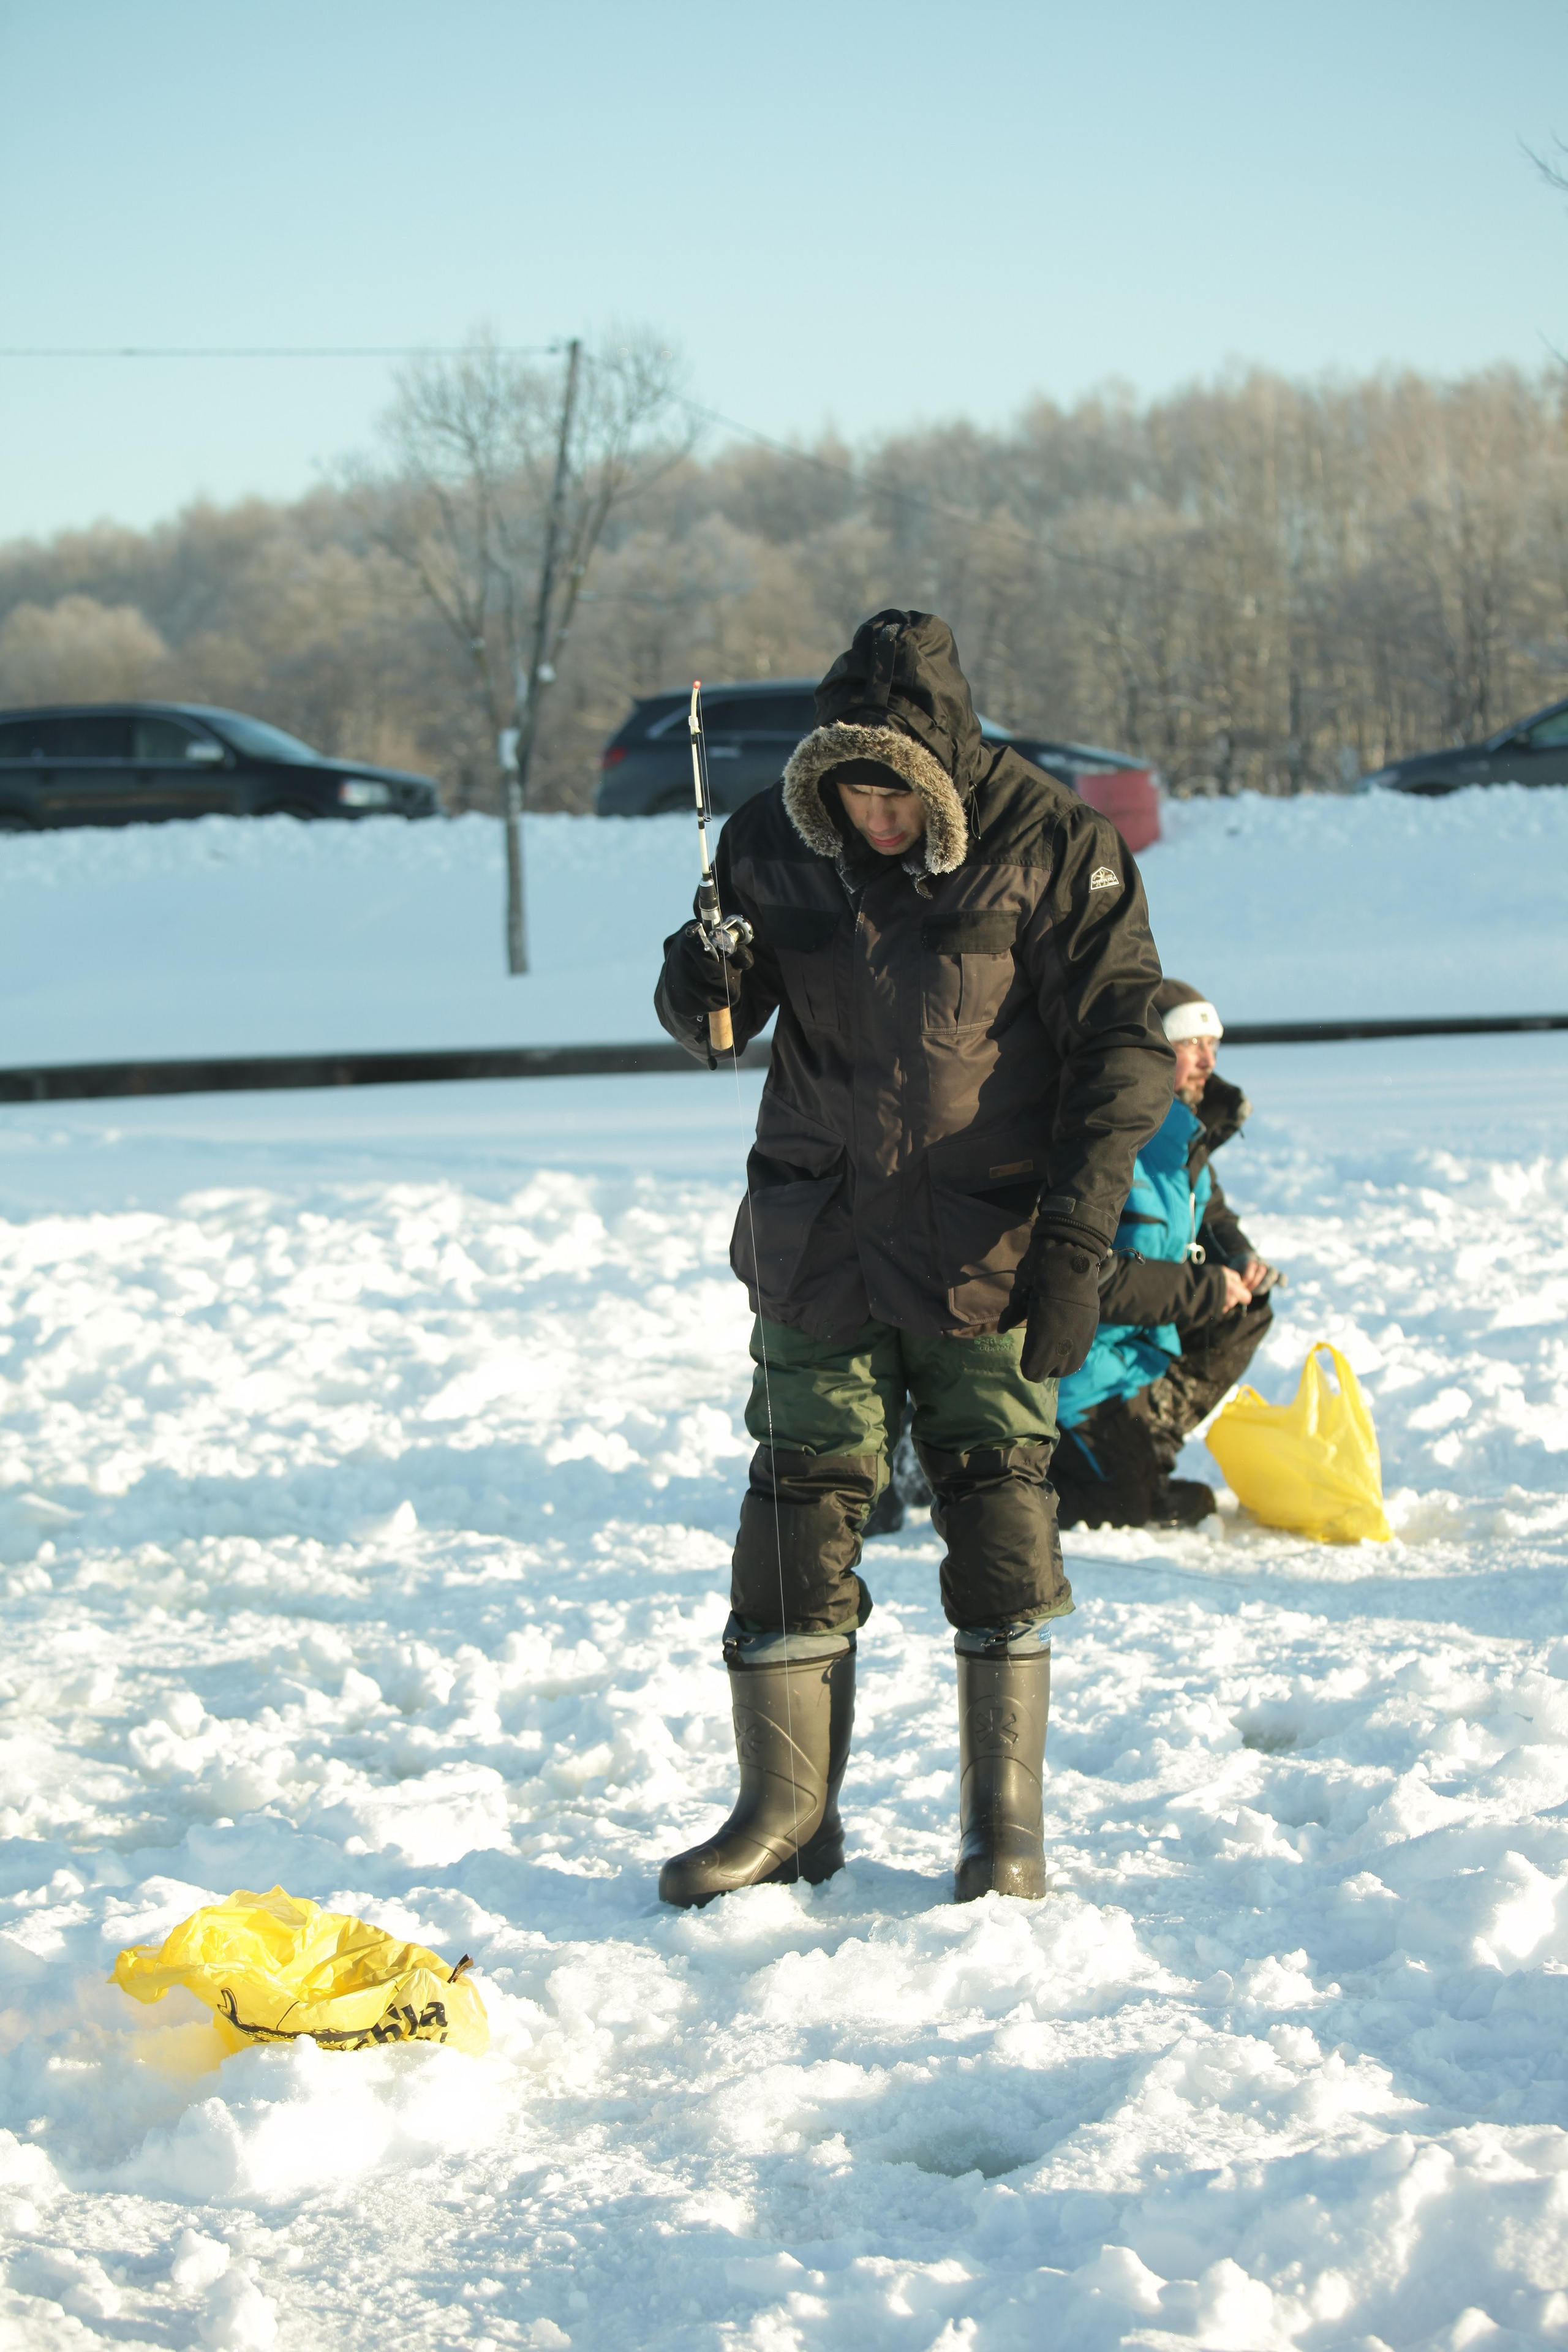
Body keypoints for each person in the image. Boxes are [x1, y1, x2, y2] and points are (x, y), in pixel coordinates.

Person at [651, 609, 1174, 1907]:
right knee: (795, 1500)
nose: (873, 824)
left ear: (937, 780)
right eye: (853, 799)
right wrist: (696, 975)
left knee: (996, 1496)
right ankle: (783, 1813)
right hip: (817, 1229)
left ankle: (1004, 1831)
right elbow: (719, 1023)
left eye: (894, 803)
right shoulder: (775, 836)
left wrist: (1073, 1235)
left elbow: (1124, 1046)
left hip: (980, 1239)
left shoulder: (1054, 842)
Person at [1051, 978, 1281, 1530]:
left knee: (1249, 1307)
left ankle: (1144, 1439)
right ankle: (1072, 1456)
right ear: (1150, 1051)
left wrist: (1242, 1259)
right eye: (1191, 1044)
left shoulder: (1184, 1136)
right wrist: (1201, 1289)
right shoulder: (1105, 1138)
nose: (1209, 1060)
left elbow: (1213, 1215)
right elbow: (1084, 1276)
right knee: (1120, 1515)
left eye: (1214, 1045)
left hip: (1139, 1352)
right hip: (1076, 1367)